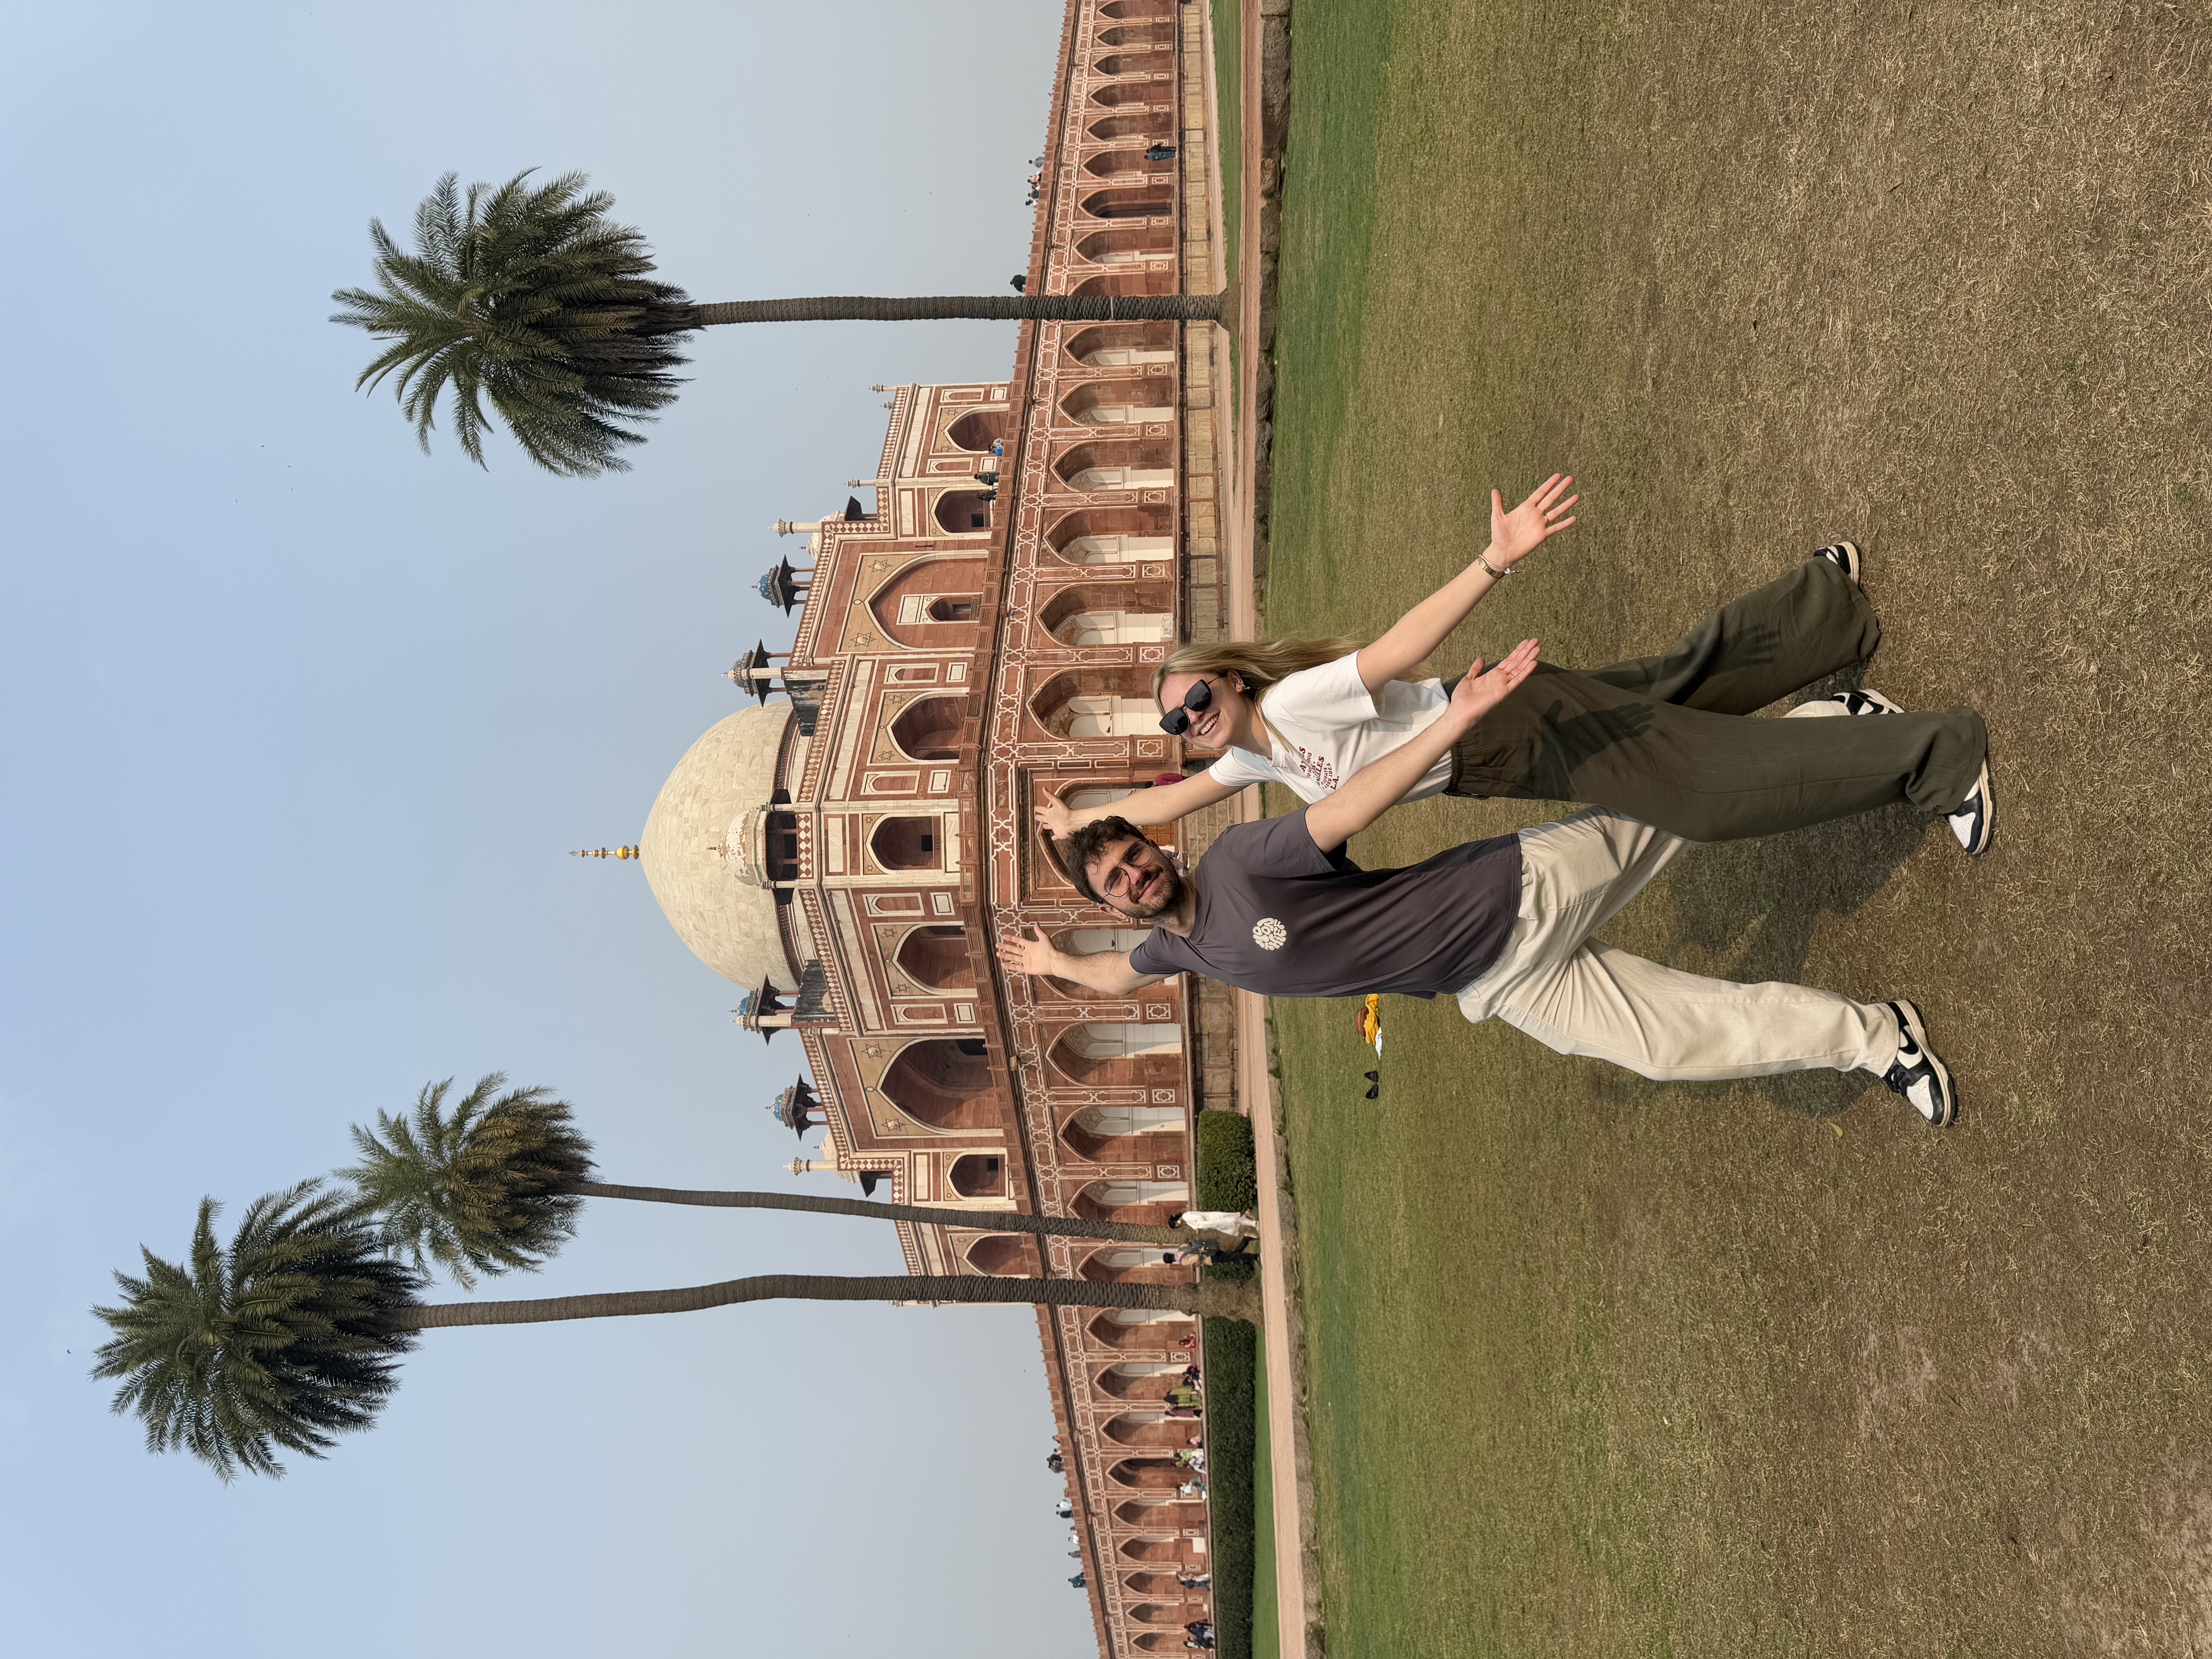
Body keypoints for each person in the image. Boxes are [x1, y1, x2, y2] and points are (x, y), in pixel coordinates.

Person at [1000, 644, 1964, 1124]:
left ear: (1160, 849)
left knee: (1678, 801)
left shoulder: (1242, 861)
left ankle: (1837, 722)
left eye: (1133, 857)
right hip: (1495, 985)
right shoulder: (1176, 947)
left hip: (1517, 892)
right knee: (1672, 1049)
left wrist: (1455, 719)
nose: (1133, 879)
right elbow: (1115, 981)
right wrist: (1052, 961)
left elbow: (1359, 802)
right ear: (1116, 905)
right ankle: (1879, 1038)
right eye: (1118, 884)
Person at [1037, 475, 1995, 855]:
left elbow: (1401, 648)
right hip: (1498, 752)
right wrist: (1078, 815)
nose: (1188, 722)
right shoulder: (1256, 756)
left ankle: (1937, 758)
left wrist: (1493, 560)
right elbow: (1164, 805)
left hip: (1499, 722)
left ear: (1232, 680)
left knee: (1705, 797)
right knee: (1675, 691)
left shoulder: (1295, 701)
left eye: (1194, 699)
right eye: (1176, 722)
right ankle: (1825, 604)